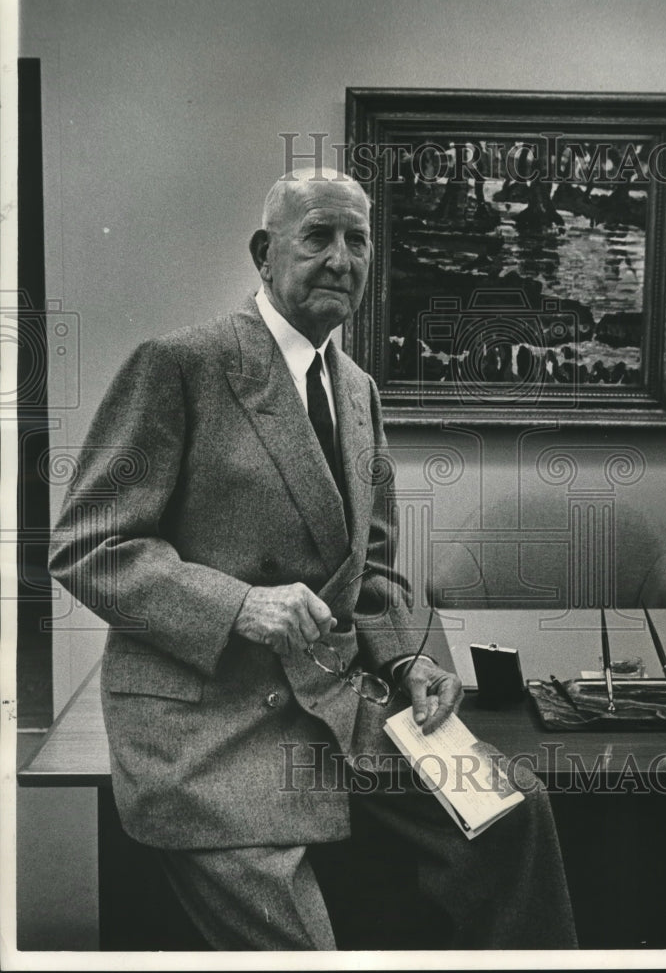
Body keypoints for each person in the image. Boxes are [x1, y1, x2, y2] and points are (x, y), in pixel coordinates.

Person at [48, 166, 577, 951]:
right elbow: (88, 547)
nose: (340, 258)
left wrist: (405, 663)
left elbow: (377, 566)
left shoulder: (357, 388)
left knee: (513, 811)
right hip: (211, 733)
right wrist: (239, 605)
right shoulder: (181, 363)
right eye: (317, 237)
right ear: (265, 253)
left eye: (356, 240)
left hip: (336, 709)